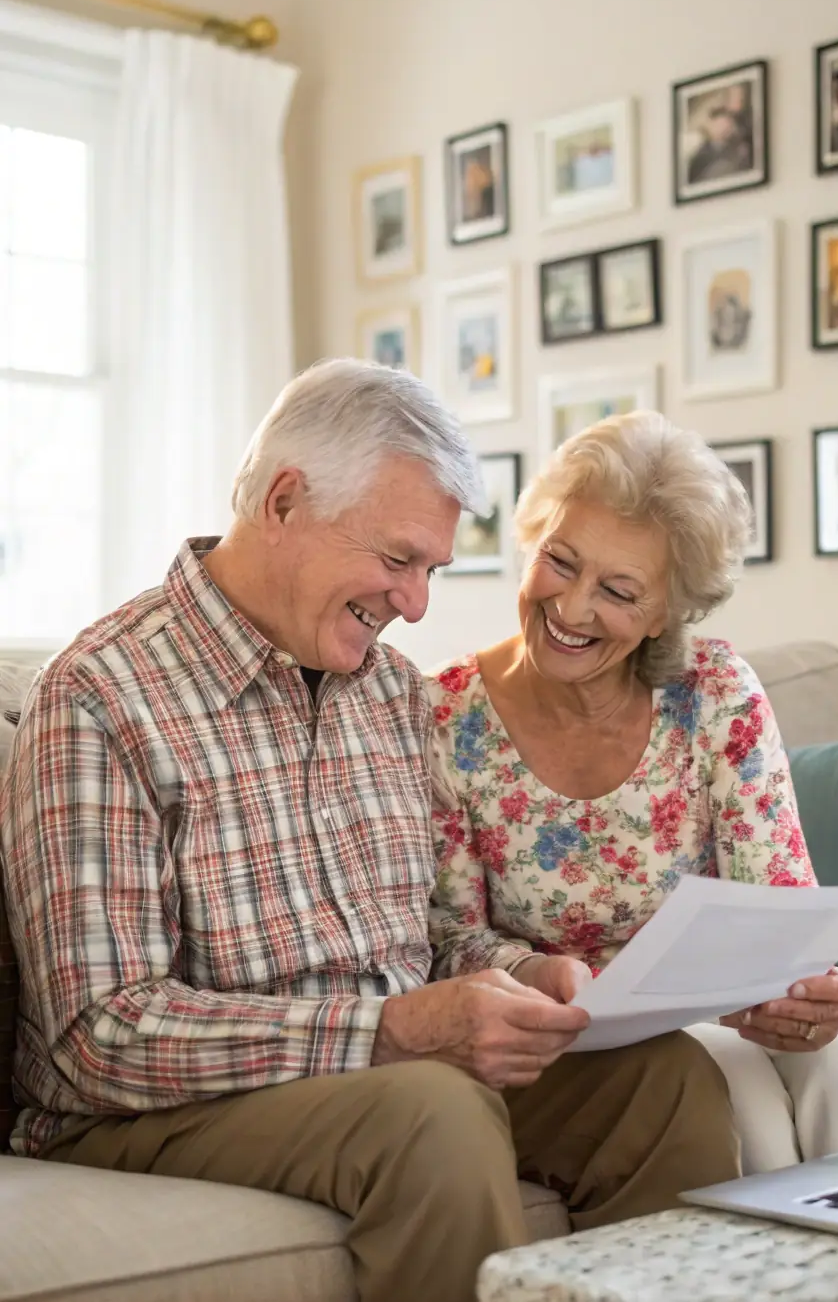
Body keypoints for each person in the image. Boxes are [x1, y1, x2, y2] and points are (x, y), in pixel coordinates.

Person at [0, 362, 741, 1302]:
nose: (419, 604)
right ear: (282, 501)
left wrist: (519, 974)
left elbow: (422, 932)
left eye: (432, 568)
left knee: (662, 1080)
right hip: (157, 1105)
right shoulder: (102, 697)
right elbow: (100, 1034)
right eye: (399, 560)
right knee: (436, 1111)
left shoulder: (388, 694)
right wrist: (386, 1031)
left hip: (385, 1071)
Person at [427, 410, 838, 1176]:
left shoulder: (716, 692)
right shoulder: (446, 714)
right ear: (532, 536)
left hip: (723, 1012)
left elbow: (783, 904)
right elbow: (450, 936)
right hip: (583, 1047)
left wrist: (812, 992)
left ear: (667, 613)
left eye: (618, 590)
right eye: (561, 561)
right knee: (740, 1101)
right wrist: (538, 972)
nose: (571, 607)